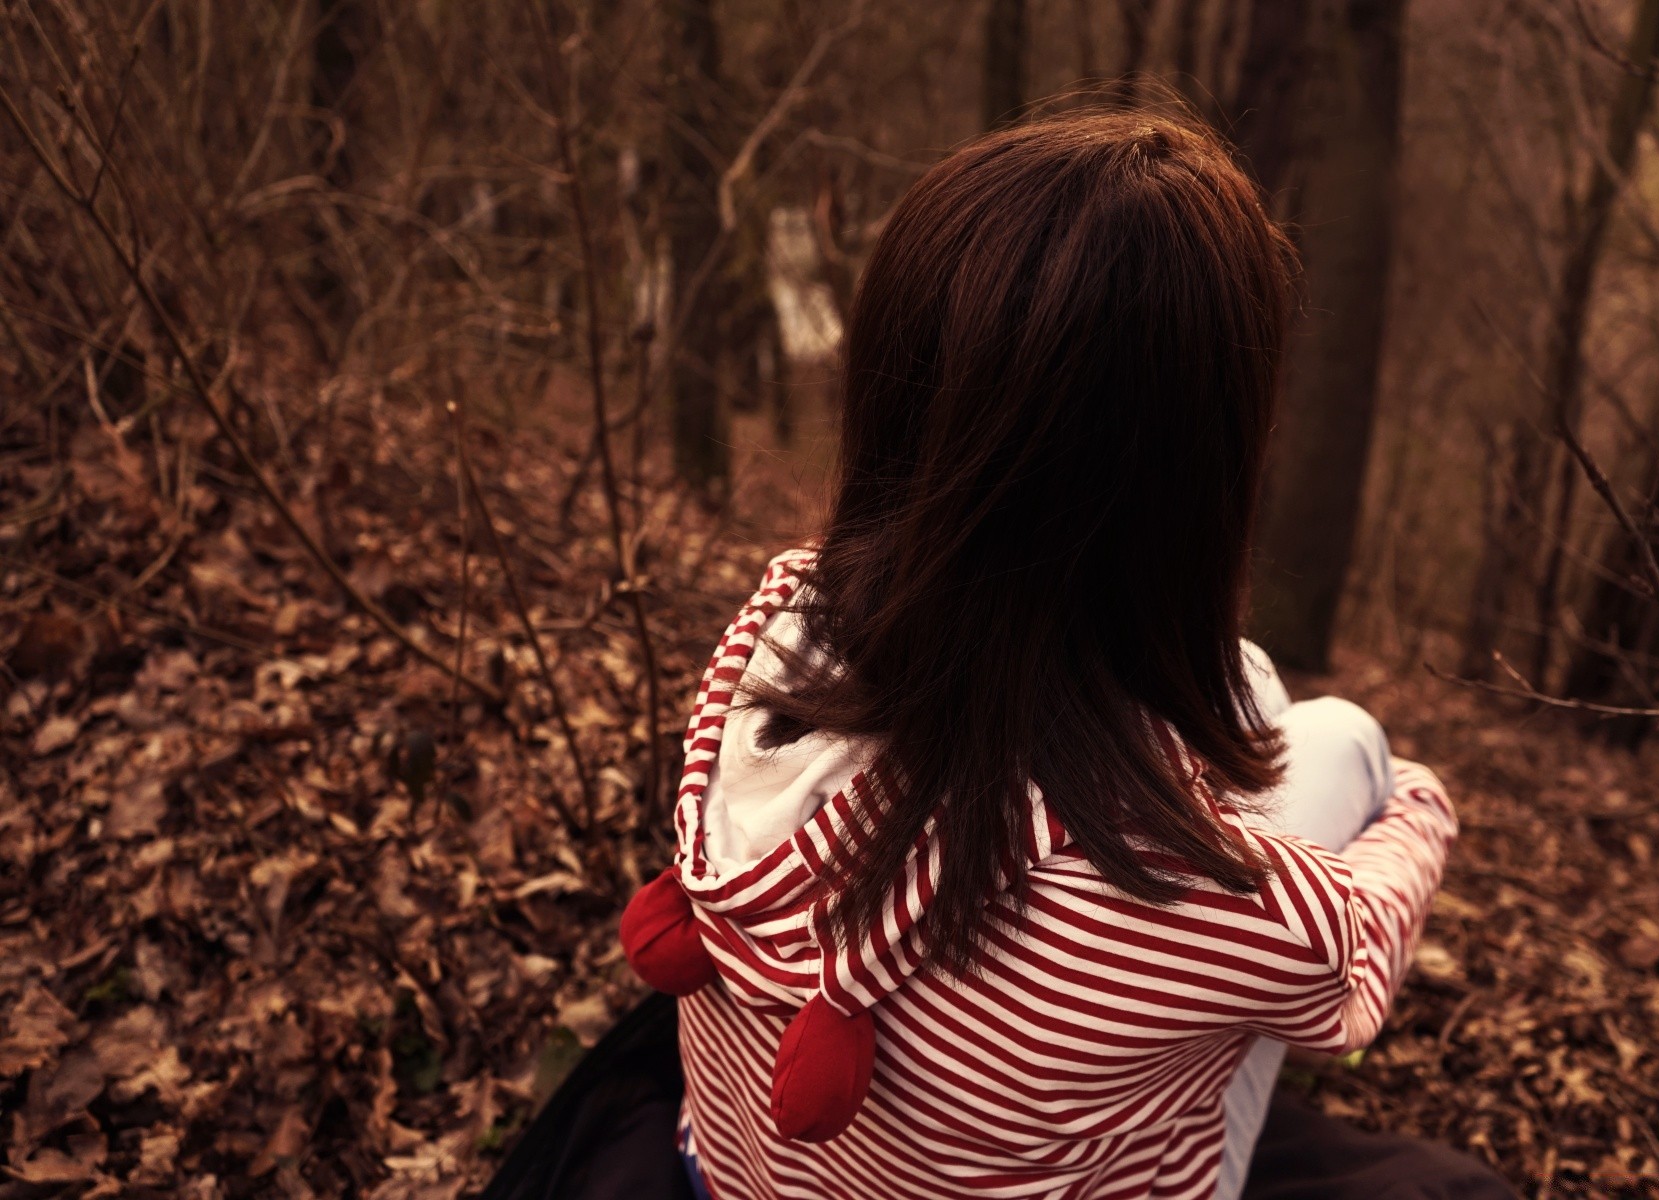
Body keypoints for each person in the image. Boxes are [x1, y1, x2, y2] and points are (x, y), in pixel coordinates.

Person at [604, 108, 1515, 1200]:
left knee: (1251, 696)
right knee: (1342, 742)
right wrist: (1418, 798)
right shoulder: (1185, 892)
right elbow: (1352, 977)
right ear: (1205, 475)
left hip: (736, 1176)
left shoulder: (771, 649)